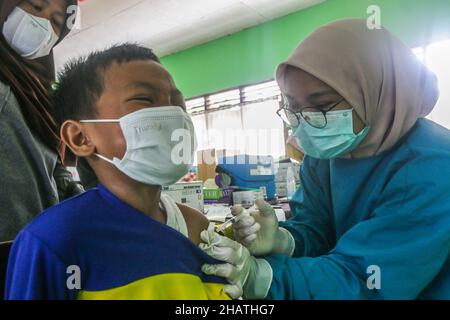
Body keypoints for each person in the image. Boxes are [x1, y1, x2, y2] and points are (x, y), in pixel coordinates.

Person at [200, 19, 450, 300]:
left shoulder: (433, 167)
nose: (307, 121)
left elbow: (365, 279)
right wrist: (287, 240)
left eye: (322, 105)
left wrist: (264, 278)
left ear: (375, 92)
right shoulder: (328, 154)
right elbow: (319, 229)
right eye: (293, 105)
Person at [5, 44, 231, 300]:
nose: (172, 115)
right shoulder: (53, 239)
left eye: (178, 104)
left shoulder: (194, 225)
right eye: (144, 100)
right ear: (80, 137)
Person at [0, 0, 83, 242]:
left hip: (38, 251)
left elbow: (54, 172)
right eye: (35, 6)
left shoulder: (38, 96)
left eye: (56, 22)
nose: (41, 23)